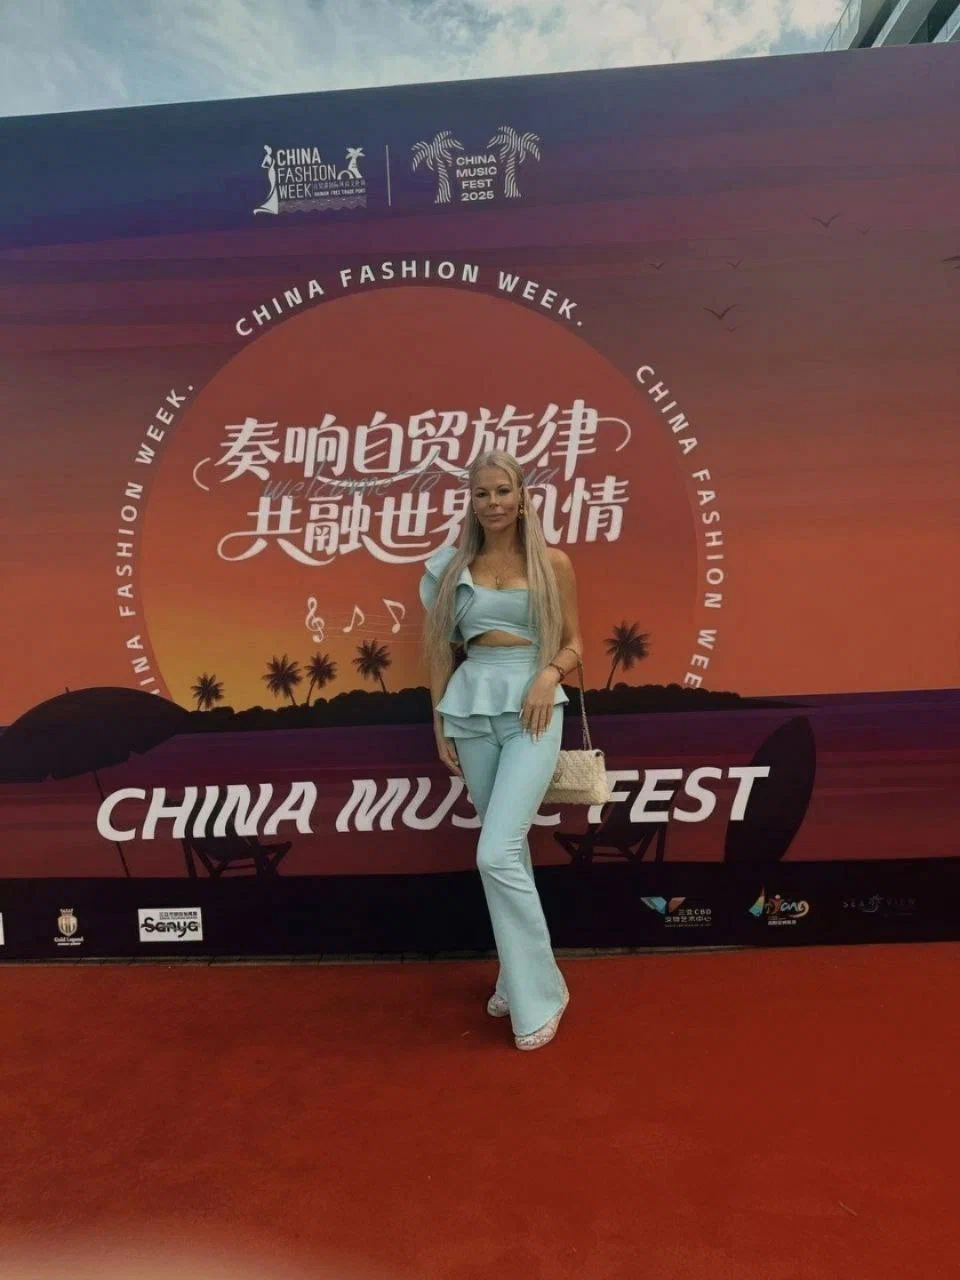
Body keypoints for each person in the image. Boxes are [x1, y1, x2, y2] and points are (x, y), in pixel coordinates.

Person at [419, 449, 584, 1051]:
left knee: (495, 853)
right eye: (482, 493)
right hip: (471, 707)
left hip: (533, 708)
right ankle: (517, 978)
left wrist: (549, 676)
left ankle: (542, 994)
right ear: (471, 501)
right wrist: (439, 722)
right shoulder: (451, 567)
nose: (493, 502)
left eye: (503, 490)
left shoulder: (552, 563)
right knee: (507, 853)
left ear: (522, 496)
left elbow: (575, 642)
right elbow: (441, 651)